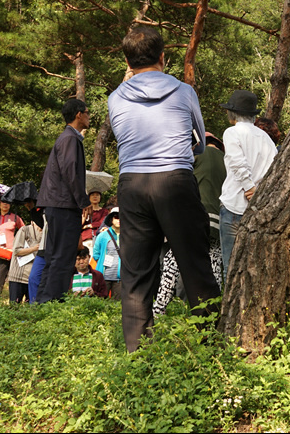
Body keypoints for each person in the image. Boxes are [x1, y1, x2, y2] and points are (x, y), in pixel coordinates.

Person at [107, 25, 220, 352]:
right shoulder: (184, 92)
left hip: (132, 184)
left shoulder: (116, 98)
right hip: (175, 181)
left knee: (137, 274)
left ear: (127, 61)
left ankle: (137, 354)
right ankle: (209, 345)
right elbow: (199, 146)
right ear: (163, 57)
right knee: (195, 265)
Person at [35, 98, 92, 303]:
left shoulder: (67, 138)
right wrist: (83, 201)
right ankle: (51, 301)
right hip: (63, 205)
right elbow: (71, 172)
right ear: (78, 114)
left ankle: (43, 300)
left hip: (57, 205)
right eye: (86, 112)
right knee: (63, 256)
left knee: (54, 256)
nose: (88, 116)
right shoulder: (70, 139)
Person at [218, 90, 278, 283]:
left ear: (232, 113)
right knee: (255, 267)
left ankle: (231, 311)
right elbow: (274, 170)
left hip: (234, 205)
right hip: (259, 207)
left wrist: (249, 189)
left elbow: (237, 163)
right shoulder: (266, 138)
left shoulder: (232, 132)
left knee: (231, 266)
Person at [193, 132, 227, 282]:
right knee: (214, 263)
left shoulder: (196, 155)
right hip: (219, 217)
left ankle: (169, 303)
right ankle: (213, 300)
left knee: (179, 258)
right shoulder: (226, 159)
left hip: (196, 214)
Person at [8, 209, 43, 303]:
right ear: (32, 222)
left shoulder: (46, 234)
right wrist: (34, 248)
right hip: (18, 276)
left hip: (33, 279)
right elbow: (16, 251)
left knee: (31, 308)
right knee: (14, 306)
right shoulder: (24, 230)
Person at [91, 208, 122, 299]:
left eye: (122, 217)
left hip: (120, 278)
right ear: (111, 219)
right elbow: (96, 254)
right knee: (100, 303)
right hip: (103, 277)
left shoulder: (128, 235)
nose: (119, 220)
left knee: (116, 306)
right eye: (116, 217)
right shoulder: (102, 235)